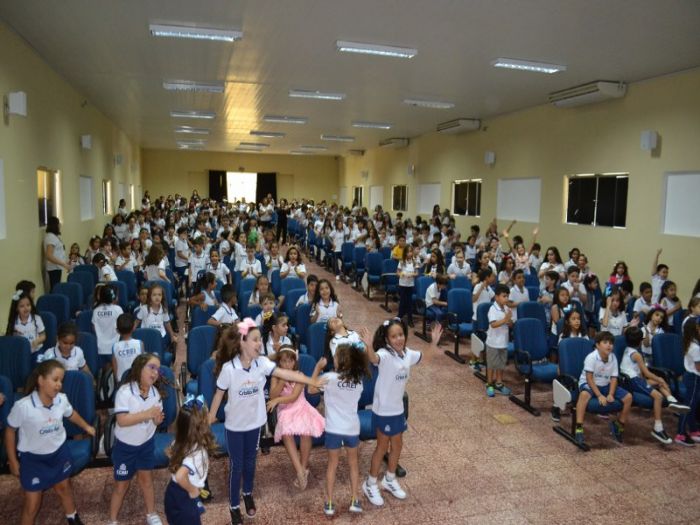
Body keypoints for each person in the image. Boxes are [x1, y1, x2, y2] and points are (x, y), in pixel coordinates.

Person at [208, 320, 326, 525]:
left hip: (255, 424)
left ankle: (247, 493)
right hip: (235, 427)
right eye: (255, 340)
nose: (259, 344)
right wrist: (211, 417)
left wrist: (311, 381)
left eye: (259, 340)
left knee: (250, 462)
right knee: (237, 466)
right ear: (242, 342)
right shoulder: (229, 369)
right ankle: (234, 505)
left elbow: (286, 373)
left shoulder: (261, 363)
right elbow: (219, 394)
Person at [359, 318, 441, 507]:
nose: (398, 339)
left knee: (397, 445)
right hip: (383, 410)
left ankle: (389, 479)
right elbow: (373, 359)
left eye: (401, 334)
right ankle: (370, 483)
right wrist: (369, 346)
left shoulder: (407, 354)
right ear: (387, 339)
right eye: (394, 336)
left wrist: (434, 342)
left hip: (397, 409)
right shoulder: (384, 354)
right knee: (382, 446)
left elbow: (425, 357)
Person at [6, 359, 95, 525]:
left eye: (61, 380)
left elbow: (71, 414)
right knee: (32, 504)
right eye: (55, 380)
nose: (59, 384)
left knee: (64, 488)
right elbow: (10, 431)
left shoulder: (61, 400)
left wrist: (86, 426)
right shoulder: (23, 406)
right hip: (33, 459)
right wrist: (12, 460)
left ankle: (72, 517)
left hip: (59, 453)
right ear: (40, 380)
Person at [310, 344, 370, 516]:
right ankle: (354, 500)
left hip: (334, 429)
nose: (333, 358)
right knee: (353, 465)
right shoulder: (358, 380)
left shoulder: (329, 377)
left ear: (340, 360)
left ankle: (329, 503)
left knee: (332, 465)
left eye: (335, 356)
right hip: (352, 429)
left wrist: (317, 368)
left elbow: (310, 389)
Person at [108, 354, 165, 525]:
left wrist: (157, 420)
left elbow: (155, 420)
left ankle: (151, 513)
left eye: (158, 369)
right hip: (125, 448)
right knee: (121, 486)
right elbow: (122, 420)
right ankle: (112, 520)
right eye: (151, 367)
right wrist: (147, 414)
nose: (155, 372)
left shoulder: (155, 394)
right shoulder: (125, 392)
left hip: (146, 444)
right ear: (139, 368)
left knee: (146, 480)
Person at [267, 346, 325, 490]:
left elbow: (293, 397)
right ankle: (299, 471)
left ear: (295, 362)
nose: (287, 365)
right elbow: (272, 395)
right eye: (283, 361)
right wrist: (282, 381)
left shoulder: (299, 374)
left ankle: (304, 468)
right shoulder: (276, 376)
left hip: (300, 406)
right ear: (279, 363)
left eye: (290, 361)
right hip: (285, 410)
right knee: (286, 432)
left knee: (306, 432)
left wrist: (277, 400)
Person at [620, 326, 689, 445]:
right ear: (640, 341)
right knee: (658, 396)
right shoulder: (636, 355)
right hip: (632, 381)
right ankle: (658, 428)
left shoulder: (627, 349)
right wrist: (659, 379)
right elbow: (646, 373)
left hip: (635, 380)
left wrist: (659, 380)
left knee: (659, 382)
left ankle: (672, 400)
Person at [163, 395, 218, 525]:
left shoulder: (179, 441)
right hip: (185, 496)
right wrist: (192, 490)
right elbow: (180, 476)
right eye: (207, 415)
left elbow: (170, 453)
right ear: (202, 426)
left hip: (172, 492)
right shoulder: (198, 453)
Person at [574, 331, 633, 446]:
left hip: (605, 384)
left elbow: (614, 378)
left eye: (611, 343)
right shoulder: (591, 357)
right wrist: (600, 395)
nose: (609, 345)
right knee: (584, 395)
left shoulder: (613, 358)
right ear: (597, 345)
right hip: (589, 383)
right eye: (605, 342)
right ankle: (579, 427)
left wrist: (610, 393)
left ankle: (618, 425)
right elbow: (589, 379)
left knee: (628, 397)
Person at [675, 319, 700, 446]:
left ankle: (693, 430)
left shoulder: (692, 343)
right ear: (696, 329)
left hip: (693, 378)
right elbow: (698, 367)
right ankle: (680, 434)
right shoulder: (695, 347)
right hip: (694, 378)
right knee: (688, 406)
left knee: (693, 405)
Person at [485, 284, 513, 397]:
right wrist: (505, 319)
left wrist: (510, 322)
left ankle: (499, 383)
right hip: (493, 343)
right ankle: (489, 384)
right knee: (492, 365)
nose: (506, 299)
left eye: (507, 296)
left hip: (503, 342)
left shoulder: (507, 308)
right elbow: (493, 324)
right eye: (504, 296)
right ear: (496, 297)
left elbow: (510, 324)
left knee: (501, 364)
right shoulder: (493, 309)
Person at [135, 283, 178, 350]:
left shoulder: (164, 310)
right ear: (149, 296)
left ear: (162, 297)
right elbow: (136, 322)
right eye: (154, 295)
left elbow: (167, 324)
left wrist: (172, 336)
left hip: (161, 336)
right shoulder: (144, 309)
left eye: (159, 295)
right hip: (147, 336)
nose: (157, 297)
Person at [92, 285, 124, 369]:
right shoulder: (118, 309)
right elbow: (122, 326)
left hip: (100, 347)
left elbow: (94, 327)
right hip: (115, 346)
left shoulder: (96, 310)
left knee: (105, 368)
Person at [111, 313, 143, 382]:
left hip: (121, 382)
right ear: (133, 327)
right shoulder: (139, 344)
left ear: (117, 330)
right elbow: (142, 364)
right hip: (137, 381)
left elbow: (115, 371)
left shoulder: (115, 347)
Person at [43, 216, 70, 292]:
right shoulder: (50, 237)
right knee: (55, 289)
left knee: (57, 288)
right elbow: (49, 255)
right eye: (59, 224)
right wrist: (63, 264)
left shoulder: (54, 236)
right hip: (54, 268)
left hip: (57, 267)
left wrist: (65, 262)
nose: (60, 225)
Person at [397, 245, 418, 327]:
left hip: (410, 285)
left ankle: (410, 319)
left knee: (409, 302)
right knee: (402, 301)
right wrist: (401, 274)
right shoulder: (402, 261)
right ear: (405, 253)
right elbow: (397, 272)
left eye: (411, 252)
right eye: (408, 252)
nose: (409, 253)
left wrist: (412, 274)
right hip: (402, 284)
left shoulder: (415, 262)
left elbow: (416, 273)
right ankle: (399, 317)